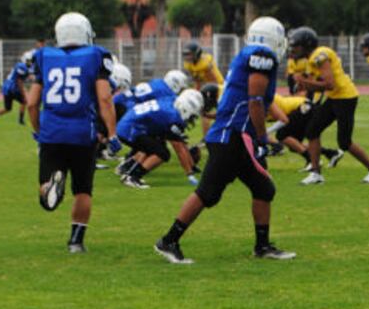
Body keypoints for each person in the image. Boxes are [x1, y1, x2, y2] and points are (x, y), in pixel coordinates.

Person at [154, 16, 296, 264]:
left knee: (263, 188)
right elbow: (255, 100)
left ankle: (262, 246)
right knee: (207, 192)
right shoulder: (262, 56)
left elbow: (247, 98)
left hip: (233, 134)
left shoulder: (249, 55)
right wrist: (262, 136)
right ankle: (168, 240)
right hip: (234, 136)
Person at [26, 12, 121, 253]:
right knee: (82, 189)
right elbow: (105, 98)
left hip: (52, 132)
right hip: (82, 133)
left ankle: (51, 187)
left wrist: (38, 130)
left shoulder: (44, 56)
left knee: (47, 199)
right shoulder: (96, 55)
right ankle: (76, 241)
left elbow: (32, 103)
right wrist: (112, 134)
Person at [291, 26, 369, 185]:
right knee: (312, 131)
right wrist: (304, 84)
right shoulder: (311, 59)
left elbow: (329, 84)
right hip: (335, 97)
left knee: (344, 142)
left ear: (306, 45)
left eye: (297, 45)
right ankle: (316, 174)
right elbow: (318, 84)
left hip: (345, 97)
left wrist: (305, 82)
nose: (293, 49)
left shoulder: (319, 56)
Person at [116, 89, 203, 189]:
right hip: (130, 129)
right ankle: (132, 177)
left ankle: (128, 170)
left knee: (155, 147)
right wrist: (190, 174)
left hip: (131, 124)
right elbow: (178, 147)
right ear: (186, 109)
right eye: (192, 116)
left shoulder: (172, 101)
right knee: (162, 153)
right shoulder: (173, 117)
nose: (192, 119)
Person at [266, 93, 341, 170]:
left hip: (303, 107)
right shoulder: (262, 101)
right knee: (294, 145)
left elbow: (283, 120)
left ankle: (312, 161)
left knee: (282, 135)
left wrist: (267, 131)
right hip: (303, 107)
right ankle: (331, 153)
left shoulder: (264, 99)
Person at [183, 41, 224, 136]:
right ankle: (207, 137)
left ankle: (214, 136)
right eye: (186, 55)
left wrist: (203, 94)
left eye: (190, 54)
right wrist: (195, 93)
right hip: (207, 89)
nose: (187, 57)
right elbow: (197, 80)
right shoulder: (189, 65)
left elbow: (213, 81)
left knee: (217, 113)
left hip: (217, 88)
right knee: (204, 113)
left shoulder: (204, 63)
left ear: (196, 53)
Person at [0, 50, 35, 126]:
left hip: (7, 87)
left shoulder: (21, 65)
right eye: (29, 60)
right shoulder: (22, 67)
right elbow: (19, 82)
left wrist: (36, 79)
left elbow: (29, 75)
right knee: (24, 101)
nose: (31, 62)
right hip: (12, 88)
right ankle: (21, 121)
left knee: (7, 108)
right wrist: (23, 94)